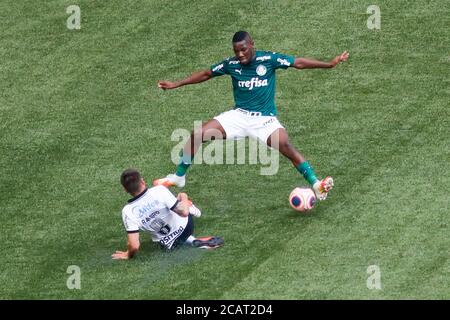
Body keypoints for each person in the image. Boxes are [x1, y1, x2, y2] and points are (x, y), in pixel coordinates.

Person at [154, 31, 349, 201]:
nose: (240, 54)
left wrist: (329, 64)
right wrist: (177, 84)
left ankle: (316, 185)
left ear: (252, 45)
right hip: (239, 117)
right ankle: (179, 176)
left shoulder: (268, 60)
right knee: (197, 135)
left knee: (286, 146)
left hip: (265, 120)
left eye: (243, 49)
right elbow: (206, 74)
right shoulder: (231, 64)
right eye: (236, 51)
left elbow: (298, 63)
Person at [112, 169, 224, 260]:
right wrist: (184, 197)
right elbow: (184, 213)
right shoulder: (159, 190)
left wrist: (128, 254)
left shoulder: (127, 211)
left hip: (169, 244)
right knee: (180, 199)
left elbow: (134, 245)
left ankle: (191, 241)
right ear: (142, 181)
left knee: (164, 220)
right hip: (187, 226)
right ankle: (190, 207)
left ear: (125, 189)